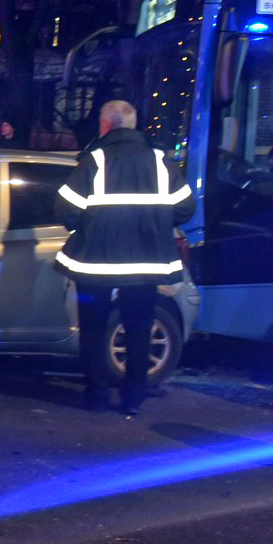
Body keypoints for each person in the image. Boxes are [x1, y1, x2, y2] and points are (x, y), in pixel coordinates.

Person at [56, 100, 194, 417]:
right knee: (138, 328)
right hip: (146, 265)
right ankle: (133, 398)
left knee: (93, 328)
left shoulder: (94, 160)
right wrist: (155, 221)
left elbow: (66, 211)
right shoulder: (161, 161)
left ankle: (97, 396)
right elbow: (186, 209)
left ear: (105, 126)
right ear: (132, 125)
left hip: (95, 264)